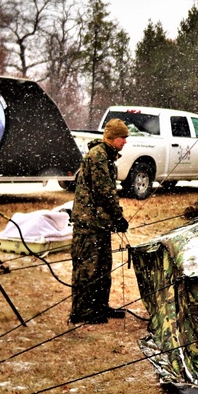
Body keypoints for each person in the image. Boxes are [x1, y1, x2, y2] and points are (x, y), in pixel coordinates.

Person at [69, 118, 130, 324]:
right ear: (112, 138)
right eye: (123, 138)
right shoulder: (97, 157)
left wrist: (113, 218)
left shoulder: (106, 156)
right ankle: (83, 311)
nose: (125, 142)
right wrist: (118, 216)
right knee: (88, 267)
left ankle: (99, 307)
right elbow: (105, 192)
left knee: (103, 267)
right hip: (89, 223)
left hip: (100, 223)